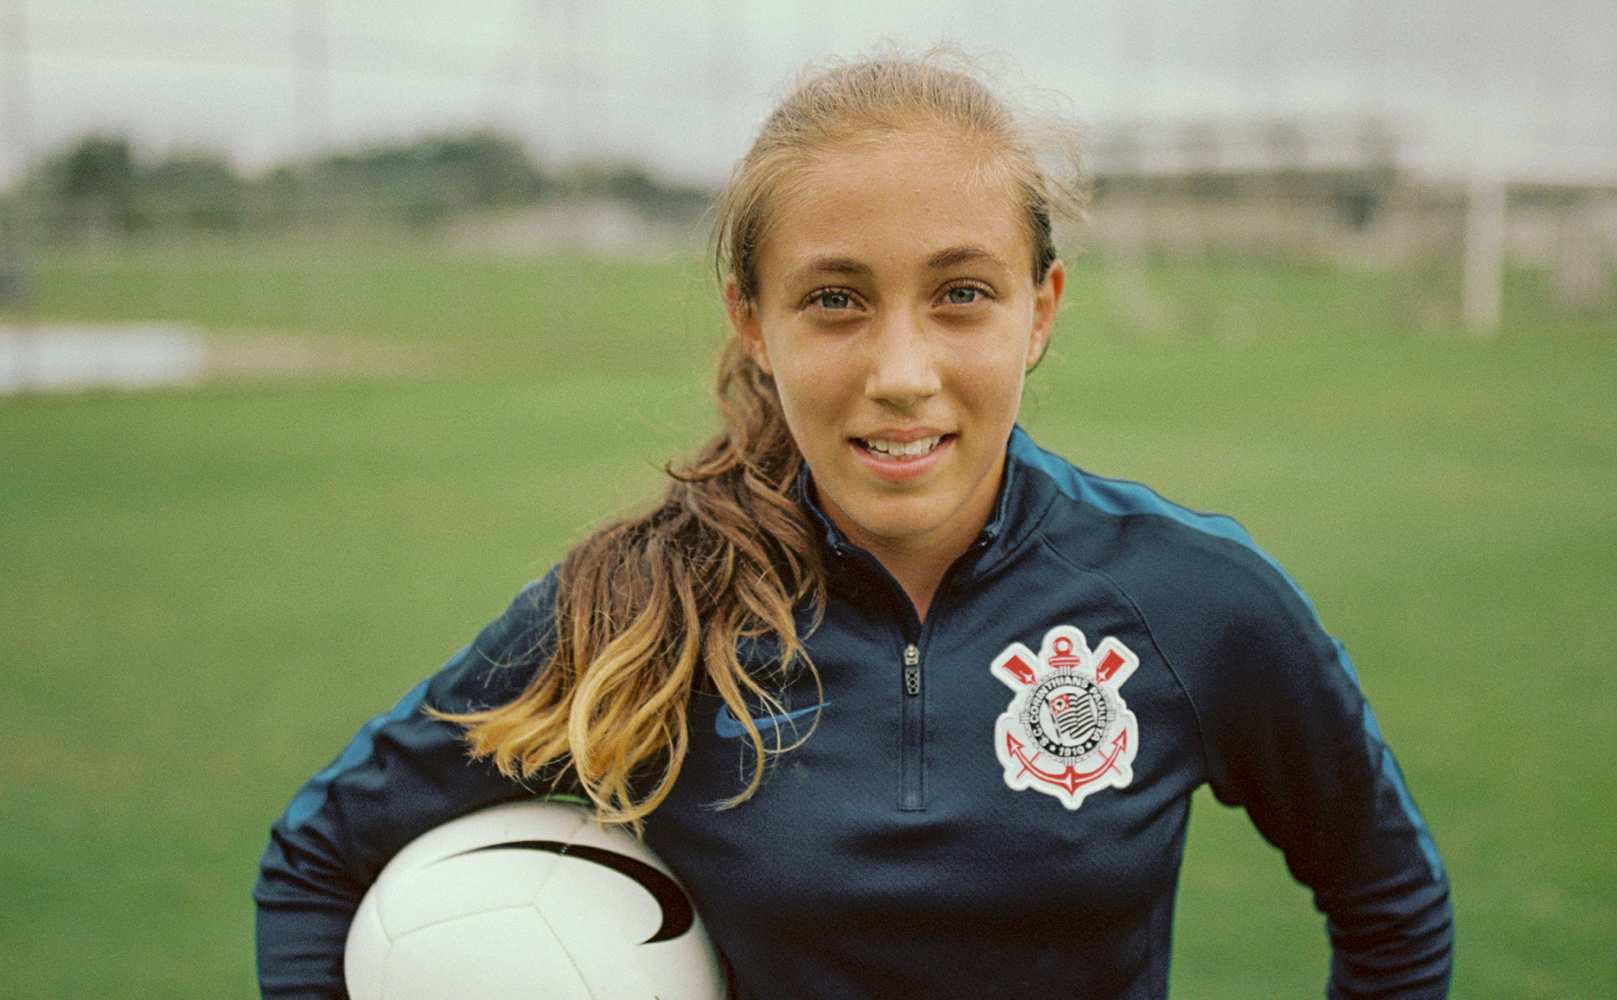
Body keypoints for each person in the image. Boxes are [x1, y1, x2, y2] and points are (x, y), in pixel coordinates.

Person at [256, 53, 1453, 999]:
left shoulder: (1191, 600)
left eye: (960, 295)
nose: (901, 373)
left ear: (1040, 310)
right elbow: (317, 861)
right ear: (751, 320)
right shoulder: (641, 607)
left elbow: (1388, 905)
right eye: (834, 300)